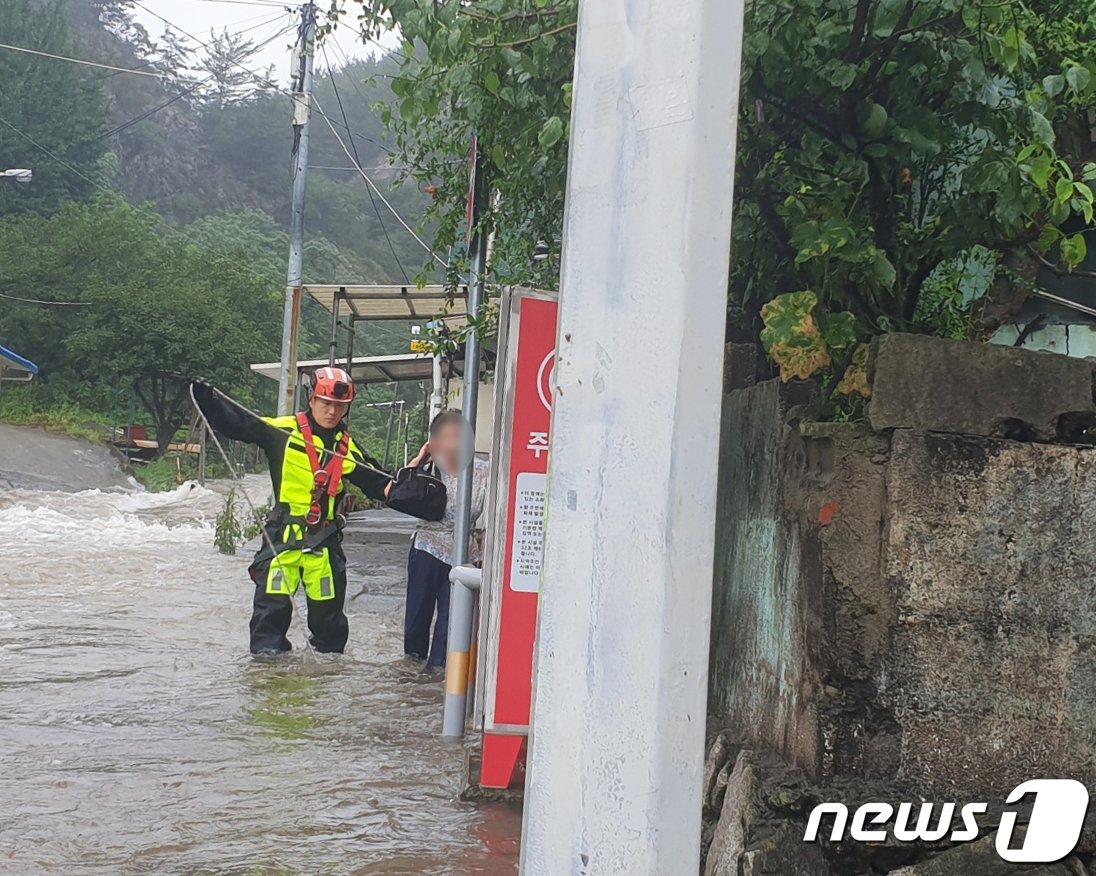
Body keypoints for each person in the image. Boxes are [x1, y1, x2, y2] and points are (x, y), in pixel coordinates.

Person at [190, 367, 393, 655]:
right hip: (280, 544)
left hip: (323, 547)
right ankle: (268, 683)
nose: (332, 412)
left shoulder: (346, 448)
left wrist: (415, 491)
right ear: (312, 400)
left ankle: (324, 686)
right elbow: (241, 425)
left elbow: (377, 482)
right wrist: (210, 403)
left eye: (340, 407)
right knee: (268, 625)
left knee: (330, 631)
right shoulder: (282, 431)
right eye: (326, 403)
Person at [403, 409, 490, 670]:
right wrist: (417, 460)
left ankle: (438, 672)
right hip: (427, 550)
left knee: (451, 621)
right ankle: (410, 670)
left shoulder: (484, 471)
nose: (453, 442)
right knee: (417, 617)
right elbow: (398, 493)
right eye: (446, 436)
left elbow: (494, 516)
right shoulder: (427, 467)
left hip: (465, 554)